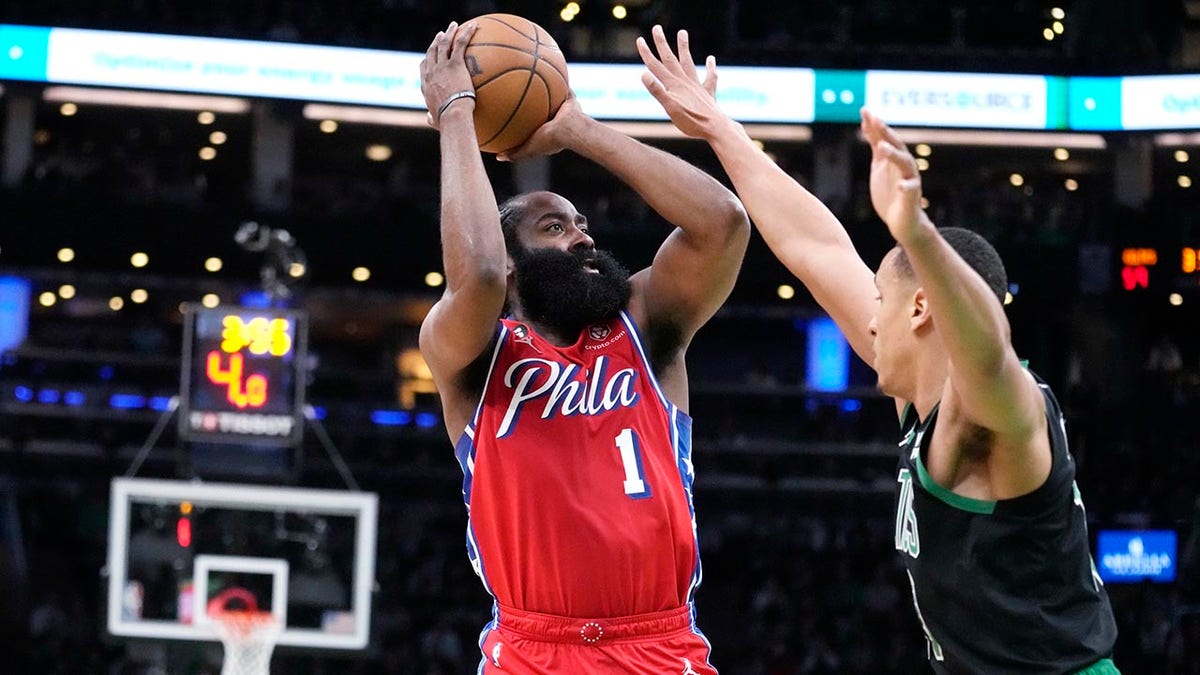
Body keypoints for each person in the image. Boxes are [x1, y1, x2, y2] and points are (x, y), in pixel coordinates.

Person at [637, 25, 1120, 674]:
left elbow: (988, 350)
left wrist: (916, 232)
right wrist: (719, 128)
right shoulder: (921, 397)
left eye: (882, 305)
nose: (870, 322)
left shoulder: (1003, 414)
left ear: (922, 309)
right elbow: (816, 248)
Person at [418, 21, 750, 674]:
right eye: (554, 226)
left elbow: (723, 223)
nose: (581, 237)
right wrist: (457, 111)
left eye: (582, 223)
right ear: (515, 263)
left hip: (658, 644)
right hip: (529, 650)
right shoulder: (472, 354)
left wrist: (579, 129)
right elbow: (479, 273)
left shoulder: (646, 326)